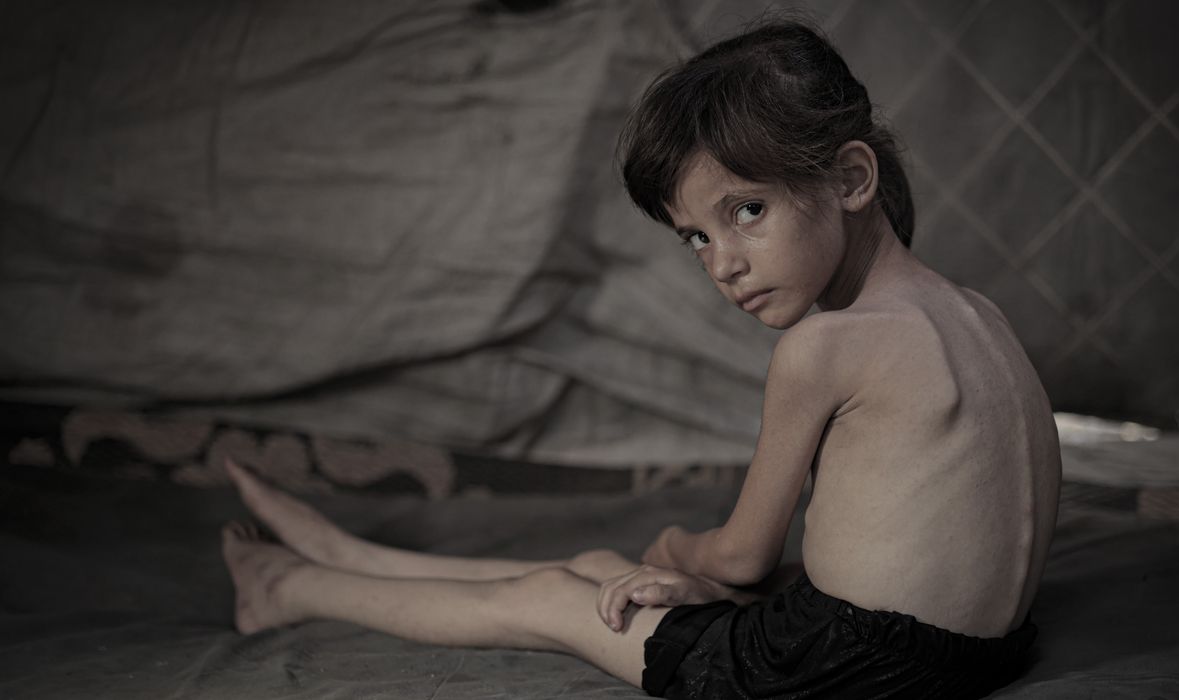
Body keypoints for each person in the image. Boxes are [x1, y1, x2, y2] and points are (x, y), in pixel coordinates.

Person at [221, 19, 1061, 699]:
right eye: (696, 234)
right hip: (978, 654)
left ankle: (286, 589)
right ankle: (355, 557)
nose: (721, 262)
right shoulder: (974, 316)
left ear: (848, 177)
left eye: (746, 211)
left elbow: (740, 559)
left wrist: (671, 551)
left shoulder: (827, 345)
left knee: (562, 597)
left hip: (854, 669)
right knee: (595, 571)